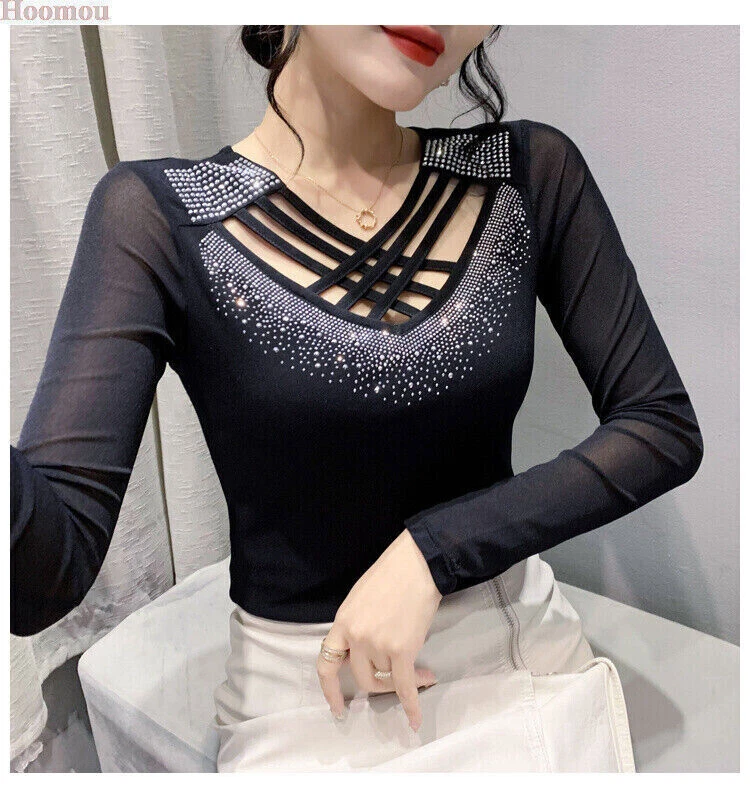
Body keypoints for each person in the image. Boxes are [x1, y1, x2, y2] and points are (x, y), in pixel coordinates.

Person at [10, 25, 703, 771]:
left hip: (515, 644)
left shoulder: (526, 172)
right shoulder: (156, 217)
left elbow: (660, 426)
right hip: (306, 692)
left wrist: (434, 552)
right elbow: (41, 584)